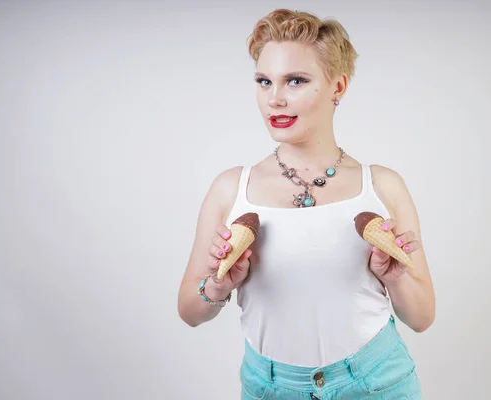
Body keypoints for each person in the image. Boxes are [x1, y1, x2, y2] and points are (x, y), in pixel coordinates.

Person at [177, 8, 435, 399]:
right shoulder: (231, 189)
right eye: (264, 81)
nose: (274, 99)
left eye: (295, 80)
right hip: (272, 388)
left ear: (338, 86)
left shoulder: (382, 186)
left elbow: (422, 318)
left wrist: (395, 276)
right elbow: (188, 312)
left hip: (376, 384)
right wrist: (216, 286)